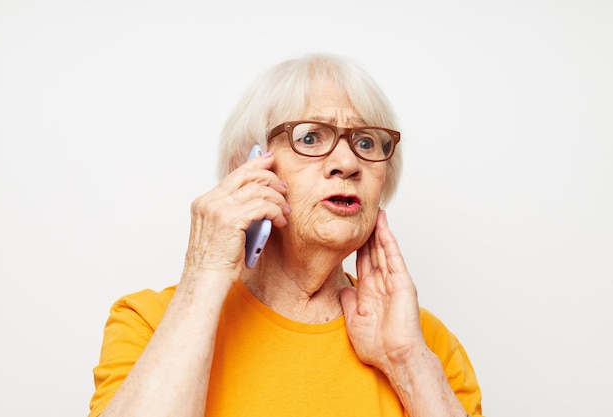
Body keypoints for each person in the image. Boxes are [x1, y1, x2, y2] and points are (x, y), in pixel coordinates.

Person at [88, 53, 483, 417]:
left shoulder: (425, 343)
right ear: (249, 168)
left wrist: (407, 361)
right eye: (310, 137)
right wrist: (205, 272)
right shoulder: (149, 322)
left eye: (365, 142)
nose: (347, 163)